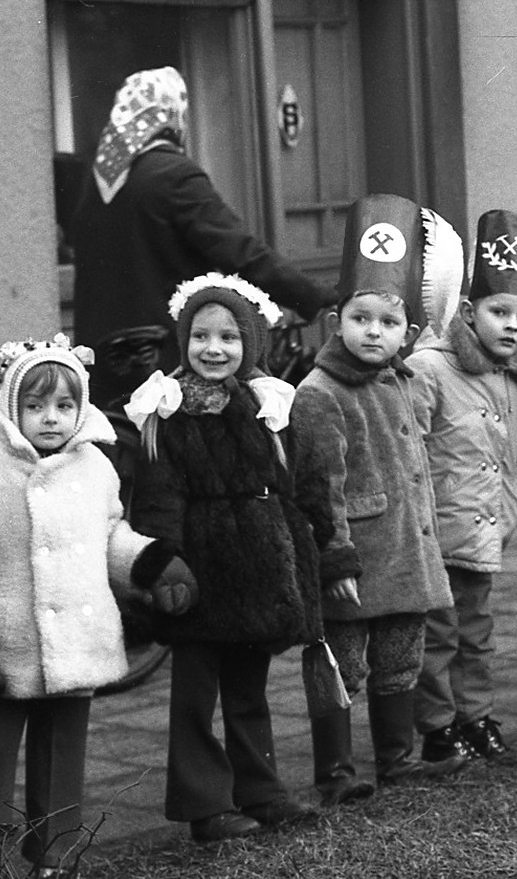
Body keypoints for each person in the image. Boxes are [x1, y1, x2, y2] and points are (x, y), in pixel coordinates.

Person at [0, 337, 195, 874]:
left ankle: (56, 854)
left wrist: (152, 563)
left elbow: (110, 534)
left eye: (64, 406)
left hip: (79, 638)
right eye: (34, 406)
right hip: (6, 644)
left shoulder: (94, 469)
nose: (51, 419)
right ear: (9, 406)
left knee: (64, 753)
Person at [125, 273, 323, 842]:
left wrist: (305, 553)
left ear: (250, 345)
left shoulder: (267, 406)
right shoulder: (166, 412)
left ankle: (259, 789)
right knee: (194, 696)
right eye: (201, 337)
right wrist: (166, 563)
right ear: (183, 341)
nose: (213, 349)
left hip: (257, 570)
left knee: (248, 690)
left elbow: (289, 487)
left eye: (229, 337)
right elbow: (159, 499)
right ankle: (203, 803)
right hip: (200, 574)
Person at [291, 196, 466, 807]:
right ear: (336, 320)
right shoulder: (317, 394)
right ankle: (335, 771)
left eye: (388, 324)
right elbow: (319, 486)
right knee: (341, 664)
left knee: (400, 656)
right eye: (361, 318)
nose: (374, 332)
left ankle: (397, 758)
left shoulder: (402, 380)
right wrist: (334, 560)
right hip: (357, 559)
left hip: (404, 553)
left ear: (408, 335)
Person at [71, 67, 334, 403]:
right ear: (172, 113)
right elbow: (239, 251)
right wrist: (311, 295)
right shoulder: (174, 174)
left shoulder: (96, 181)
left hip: (103, 360)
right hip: (162, 359)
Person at [410, 210, 517, 756]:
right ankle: (438, 726)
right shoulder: (430, 369)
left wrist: (511, 501)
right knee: (437, 634)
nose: (512, 326)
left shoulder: (505, 370)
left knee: (476, 630)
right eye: (499, 311)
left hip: (483, 530)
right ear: (469, 311)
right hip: (438, 531)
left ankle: (478, 716)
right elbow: (414, 449)